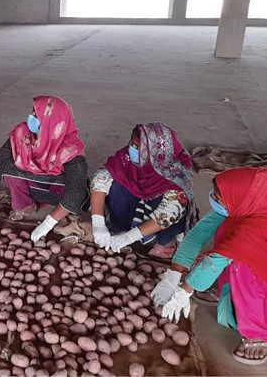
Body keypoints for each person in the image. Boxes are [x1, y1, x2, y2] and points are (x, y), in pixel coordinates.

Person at [153, 167, 267, 365]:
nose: (212, 198)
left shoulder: (257, 225)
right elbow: (199, 234)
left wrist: (184, 290)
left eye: (217, 197)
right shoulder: (246, 201)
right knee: (227, 238)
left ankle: (257, 333)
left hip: (259, 272)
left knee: (241, 264)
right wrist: (174, 273)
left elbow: (218, 259)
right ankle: (228, 294)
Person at [0, 96, 89, 242]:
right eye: (33, 112)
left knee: (77, 193)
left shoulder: (71, 149)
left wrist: (48, 223)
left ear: (52, 121)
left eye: (37, 115)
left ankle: (60, 215)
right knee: (9, 172)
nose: (32, 117)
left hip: (56, 191)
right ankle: (25, 206)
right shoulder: (21, 134)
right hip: (32, 186)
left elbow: (75, 190)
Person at [89, 122, 197, 258]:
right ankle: (119, 228)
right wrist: (98, 221)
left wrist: (129, 237)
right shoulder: (126, 158)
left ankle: (163, 242)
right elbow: (101, 178)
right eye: (132, 144)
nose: (131, 150)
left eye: (138, 148)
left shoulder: (176, 173)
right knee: (117, 183)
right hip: (136, 197)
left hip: (161, 207)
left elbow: (170, 212)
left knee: (178, 209)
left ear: (155, 152)